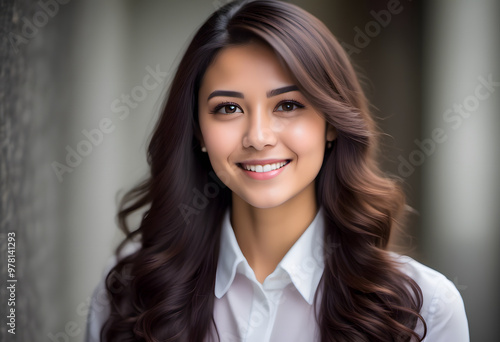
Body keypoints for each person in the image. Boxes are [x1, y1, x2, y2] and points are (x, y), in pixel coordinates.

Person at [85, 0, 469, 341]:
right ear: (198, 132)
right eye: (228, 108)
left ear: (331, 123)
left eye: (287, 105)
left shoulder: (425, 311)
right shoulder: (131, 290)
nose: (258, 137)